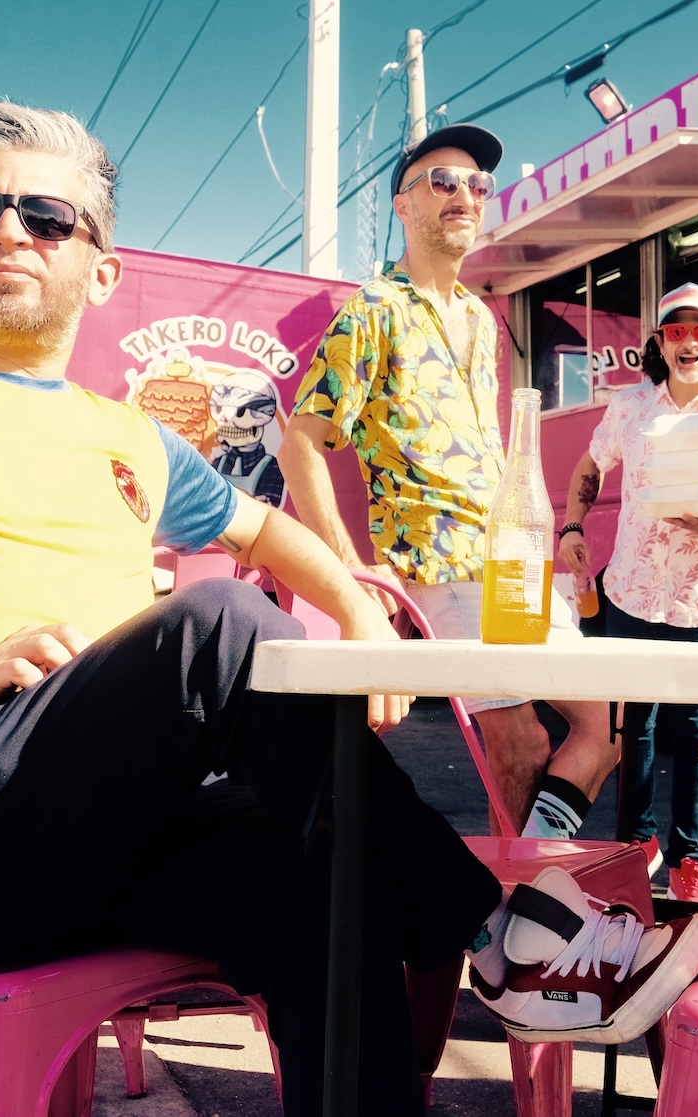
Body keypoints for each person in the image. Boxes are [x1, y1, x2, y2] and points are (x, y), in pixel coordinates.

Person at [0, 102, 698, 1117]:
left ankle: (486, 946)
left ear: (100, 266)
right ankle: (503, 936)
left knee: (328, 886)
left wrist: (355, 610)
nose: (4, 233)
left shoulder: (127, 436)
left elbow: (267, 532)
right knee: (216, 623)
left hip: (101, 831)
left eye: (44, 216)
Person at [280, 123, 617, 844]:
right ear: (403, 206)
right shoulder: (374, 308)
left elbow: (491, 452)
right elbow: (300, 442)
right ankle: (526, 908)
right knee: (521, 742)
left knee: (606, 722)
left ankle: (527, 903)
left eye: (477, 185)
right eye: (442, 181)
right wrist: (351, 570)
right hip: (438, 557)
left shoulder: (482, 318)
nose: (464, 194)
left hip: (510, 561)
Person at [558, 282, 698, 904]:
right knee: (635, 727)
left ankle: (690, 860)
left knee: (697, 730)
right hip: (630, 590)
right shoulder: (630, 407)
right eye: (675, 331)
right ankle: (634, 847)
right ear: (659, 342)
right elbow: (589, 466)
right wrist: (573, 526)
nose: (689, 342)